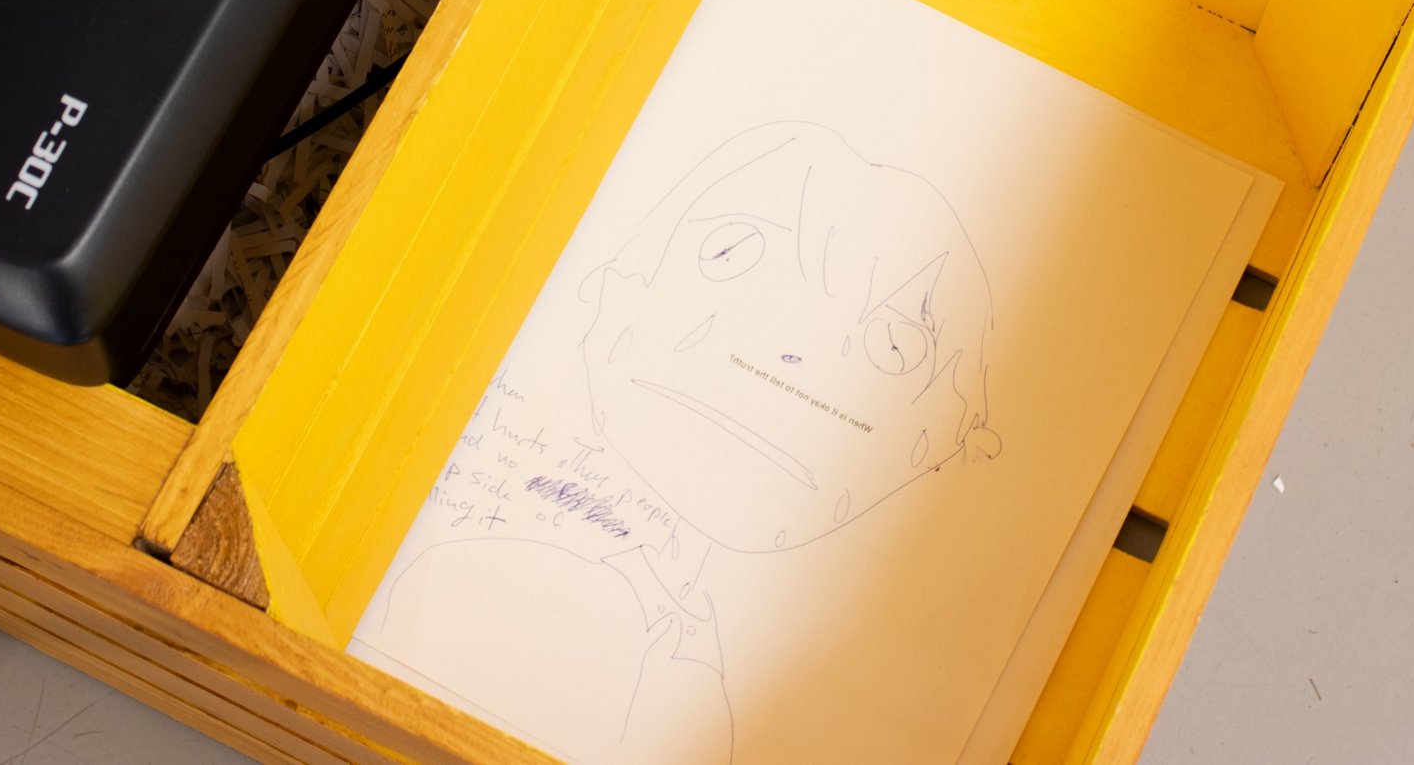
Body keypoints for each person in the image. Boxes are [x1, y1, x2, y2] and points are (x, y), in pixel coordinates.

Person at [369, 122, 999, 764]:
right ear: (619, 282)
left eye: (894, 346)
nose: (794, 350)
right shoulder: (478, 585)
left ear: (939, 445)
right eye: (732, 255)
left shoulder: (727, 664)